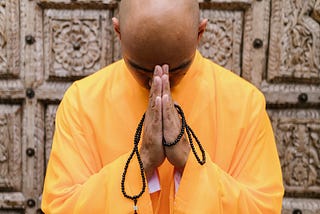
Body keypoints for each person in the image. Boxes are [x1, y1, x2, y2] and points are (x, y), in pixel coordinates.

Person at [41, 0, 284, 213]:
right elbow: (61, 205)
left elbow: (264, 207)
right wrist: (142, 162)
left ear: (200, 33)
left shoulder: (244, 103)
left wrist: (190, 164)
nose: (159, 80)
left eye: (177, 69)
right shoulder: (82, 101)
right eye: (141, 69)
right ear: (118, 32)